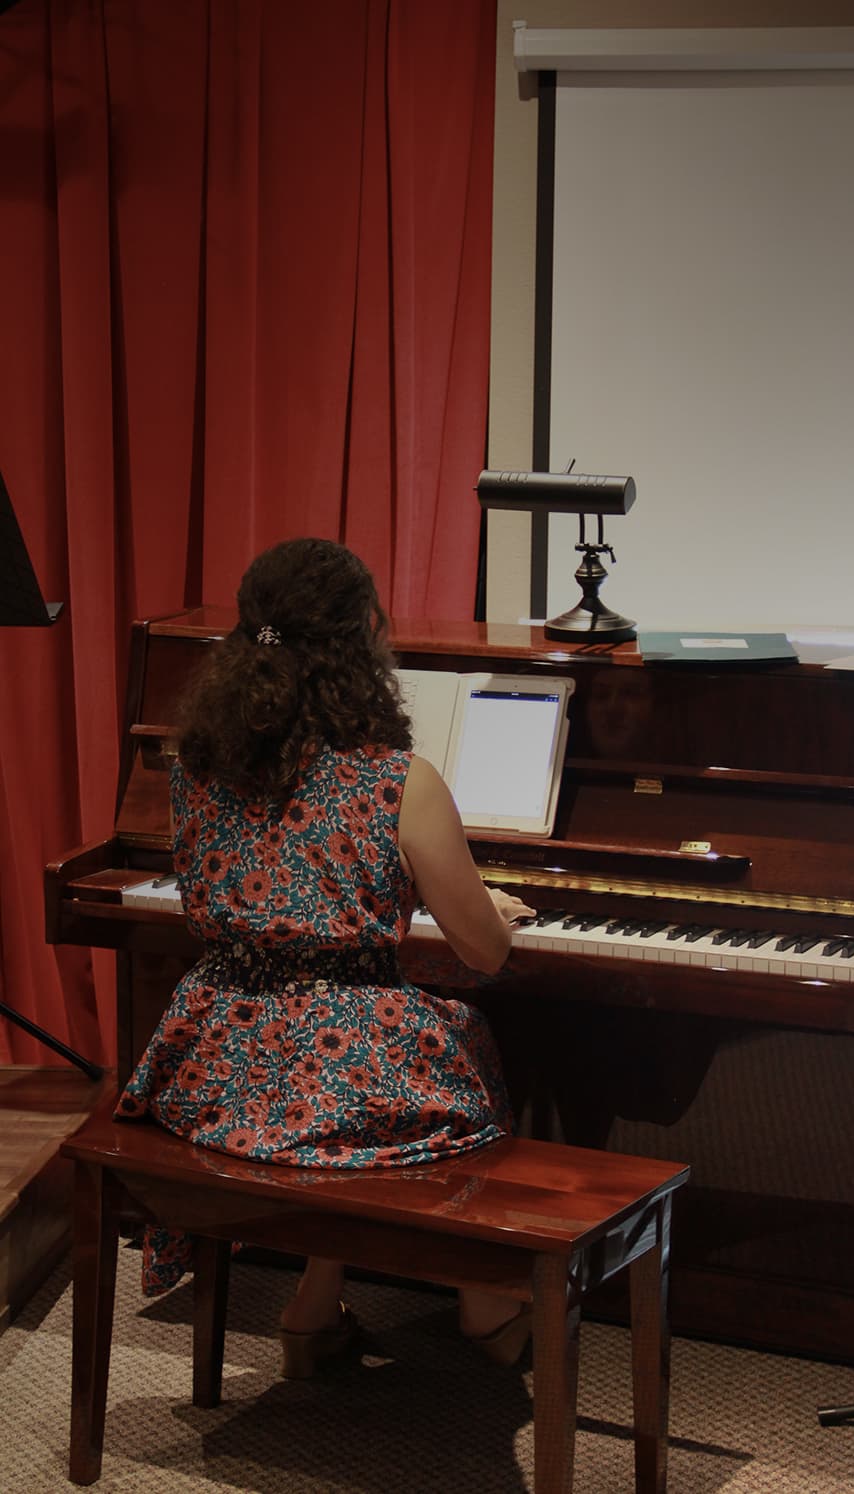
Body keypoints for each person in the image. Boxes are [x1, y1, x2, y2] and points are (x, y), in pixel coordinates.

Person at [114, 537, 535, 1374]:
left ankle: (312, 1304)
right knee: (463, 1042)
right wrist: (489, 907)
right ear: (361, 645)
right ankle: (482, 1296)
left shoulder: (196, 763)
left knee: (339, 1096)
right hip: (346, 1064)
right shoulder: (396, 778)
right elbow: (481, 951)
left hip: (212, 1055)